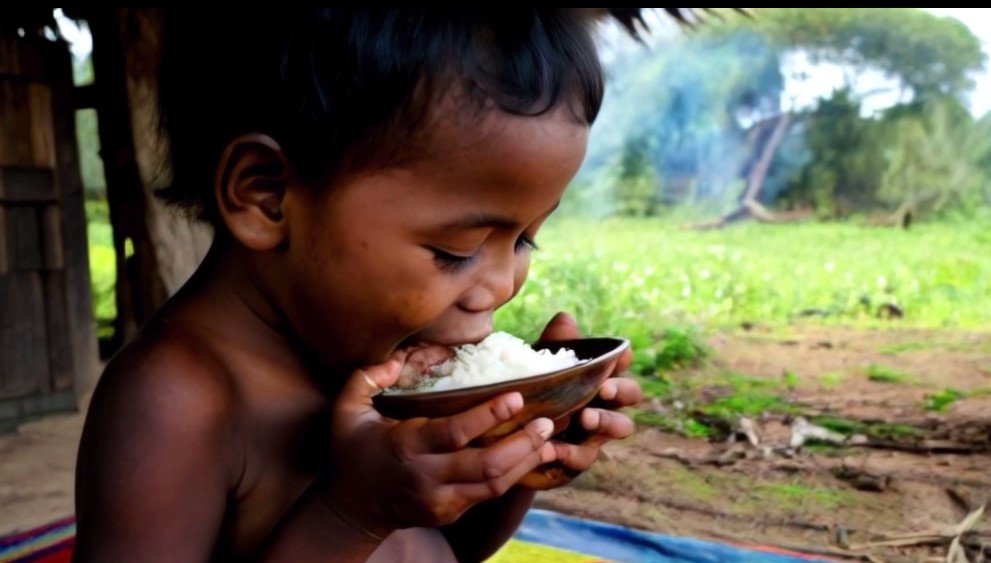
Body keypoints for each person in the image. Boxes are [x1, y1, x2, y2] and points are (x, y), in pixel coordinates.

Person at [74, 8, 650, 562]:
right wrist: (354, 513)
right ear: (267, 194)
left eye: (525, 239)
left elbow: (438, 551)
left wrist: (521, 457)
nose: (502, 287)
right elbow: (370, 528)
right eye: (457, 251)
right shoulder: (176, 403)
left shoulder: (372, 358)